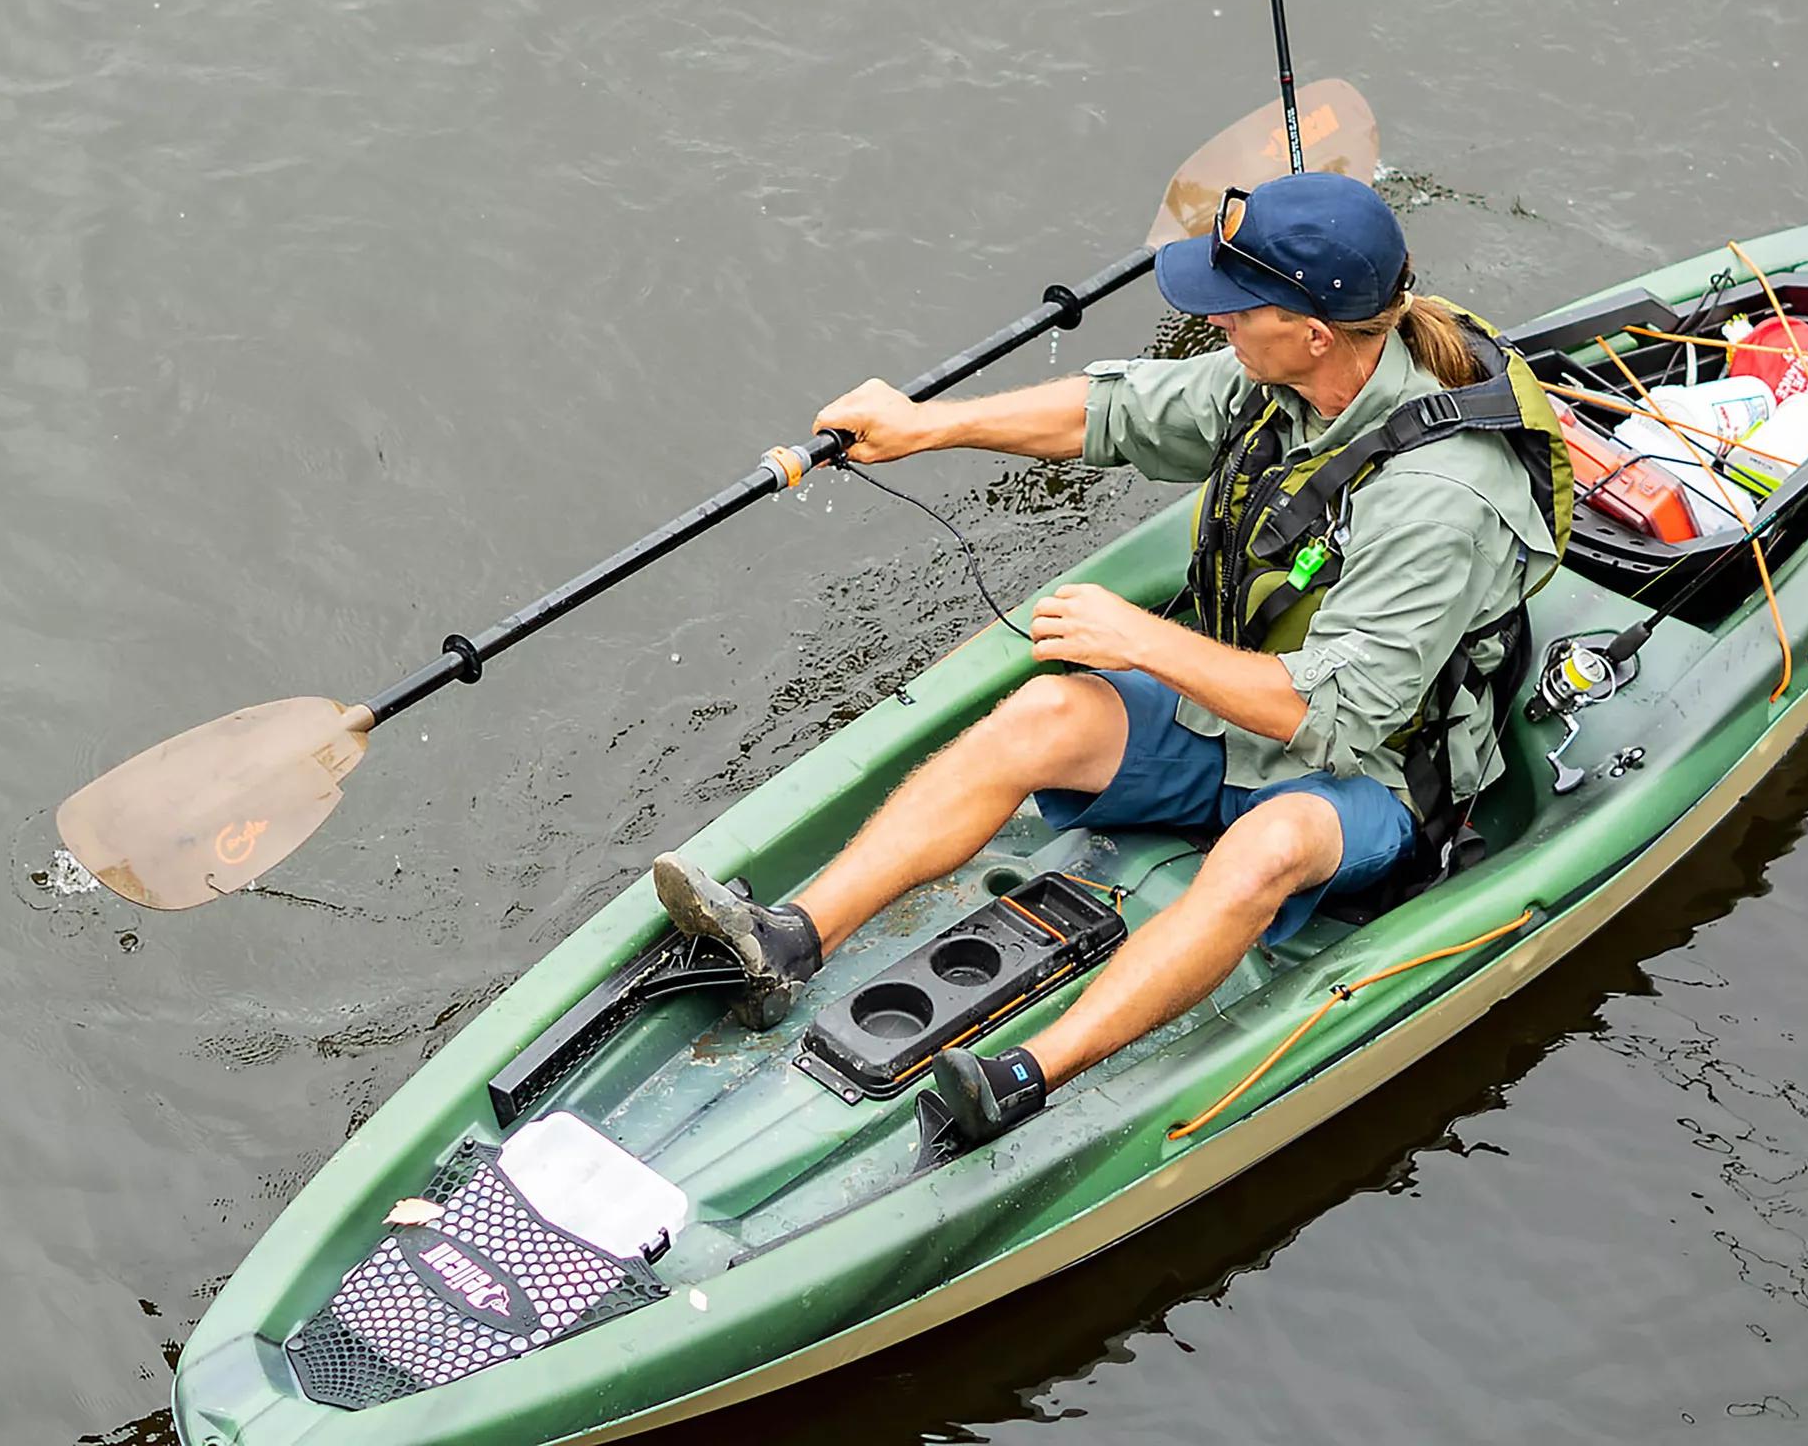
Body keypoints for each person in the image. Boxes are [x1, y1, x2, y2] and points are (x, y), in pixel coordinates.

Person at [653, 172, 1569, 1143]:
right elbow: (1123, 409)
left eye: (1234, 305)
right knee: (1045, 714)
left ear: (1311, 330)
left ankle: (1020, 1073)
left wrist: (1140, 639)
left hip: (1369, 774)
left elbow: (1334, 717)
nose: (1213, 323)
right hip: (1232, 712)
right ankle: (790, 938)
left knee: (1262, 848)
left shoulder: (1438, 497)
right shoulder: (1287, 378)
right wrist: (929, 425)